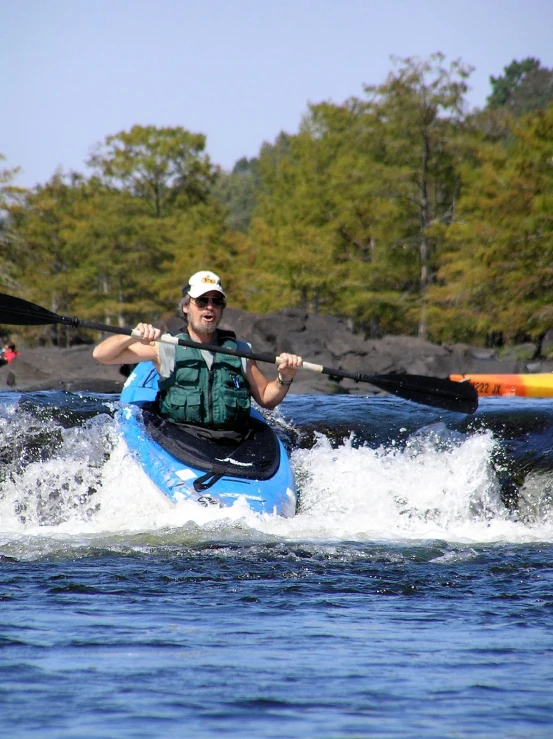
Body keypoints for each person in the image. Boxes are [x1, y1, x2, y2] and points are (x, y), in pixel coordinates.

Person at [93, 270, 302, 428]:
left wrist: (285, 377)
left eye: (216, 301)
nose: (209, 306)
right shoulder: (165, 347)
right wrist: (131, 336)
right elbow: (102, 355)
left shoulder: (239, 350)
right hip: (181, 436)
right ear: (186, 306)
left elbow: (267, 399)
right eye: (202, 301)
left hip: (231, 439)